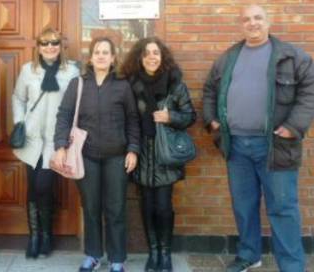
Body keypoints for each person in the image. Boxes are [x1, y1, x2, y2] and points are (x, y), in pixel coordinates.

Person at [202, 5, 314, 272]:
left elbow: (312, 88)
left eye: (258, 18)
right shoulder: (228, 57)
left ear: (269, 21)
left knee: (282, 209)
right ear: (240, 24)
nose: (252, 23)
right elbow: (210, 89)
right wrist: (212, 121)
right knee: (244, 207)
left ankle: (291, 266)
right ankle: (249, 255)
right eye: (246, 19)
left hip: (275, 146)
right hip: (236, 147)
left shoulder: (291, 56)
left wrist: (294, 126)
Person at [54, 37, 140, 272]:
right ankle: (93, 255)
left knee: (116, 209)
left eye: (106, 52)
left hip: (116, 157)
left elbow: (133, 120)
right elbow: (63, 116)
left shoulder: (123, 86)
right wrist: (60, 145)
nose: (101, 56)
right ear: (90, 58)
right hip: (86, 157)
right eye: (97, 52)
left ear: (113, 58)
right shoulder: (78, 84)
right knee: (91, 208)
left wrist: (133, 149)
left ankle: (117, 259)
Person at [122, 37, 196, 272]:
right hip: (141, 152)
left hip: (165, 154)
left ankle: (165, 254)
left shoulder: (175, 84)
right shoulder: (131, 85)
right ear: (139, 58)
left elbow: (190, 116)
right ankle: (153, 252)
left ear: (162, 56)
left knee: (163, 206)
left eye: (156, 53)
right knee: (146, 205)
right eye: (146, 53)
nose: (152, 57)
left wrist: (170, 117)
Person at [12, 27, 79, 258]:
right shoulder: (27, 70)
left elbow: (75, 105)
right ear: (38, 47)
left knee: (44, 186)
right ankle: (35, 236)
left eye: (54, 43)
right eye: (45, 43)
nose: (50, 47)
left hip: (55, 141)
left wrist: (69, 133)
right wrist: (20, 122)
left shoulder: (71, 72)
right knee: (33, 188)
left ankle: (47, 234)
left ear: (61, 47)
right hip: (31, 140)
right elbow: (18, 98)